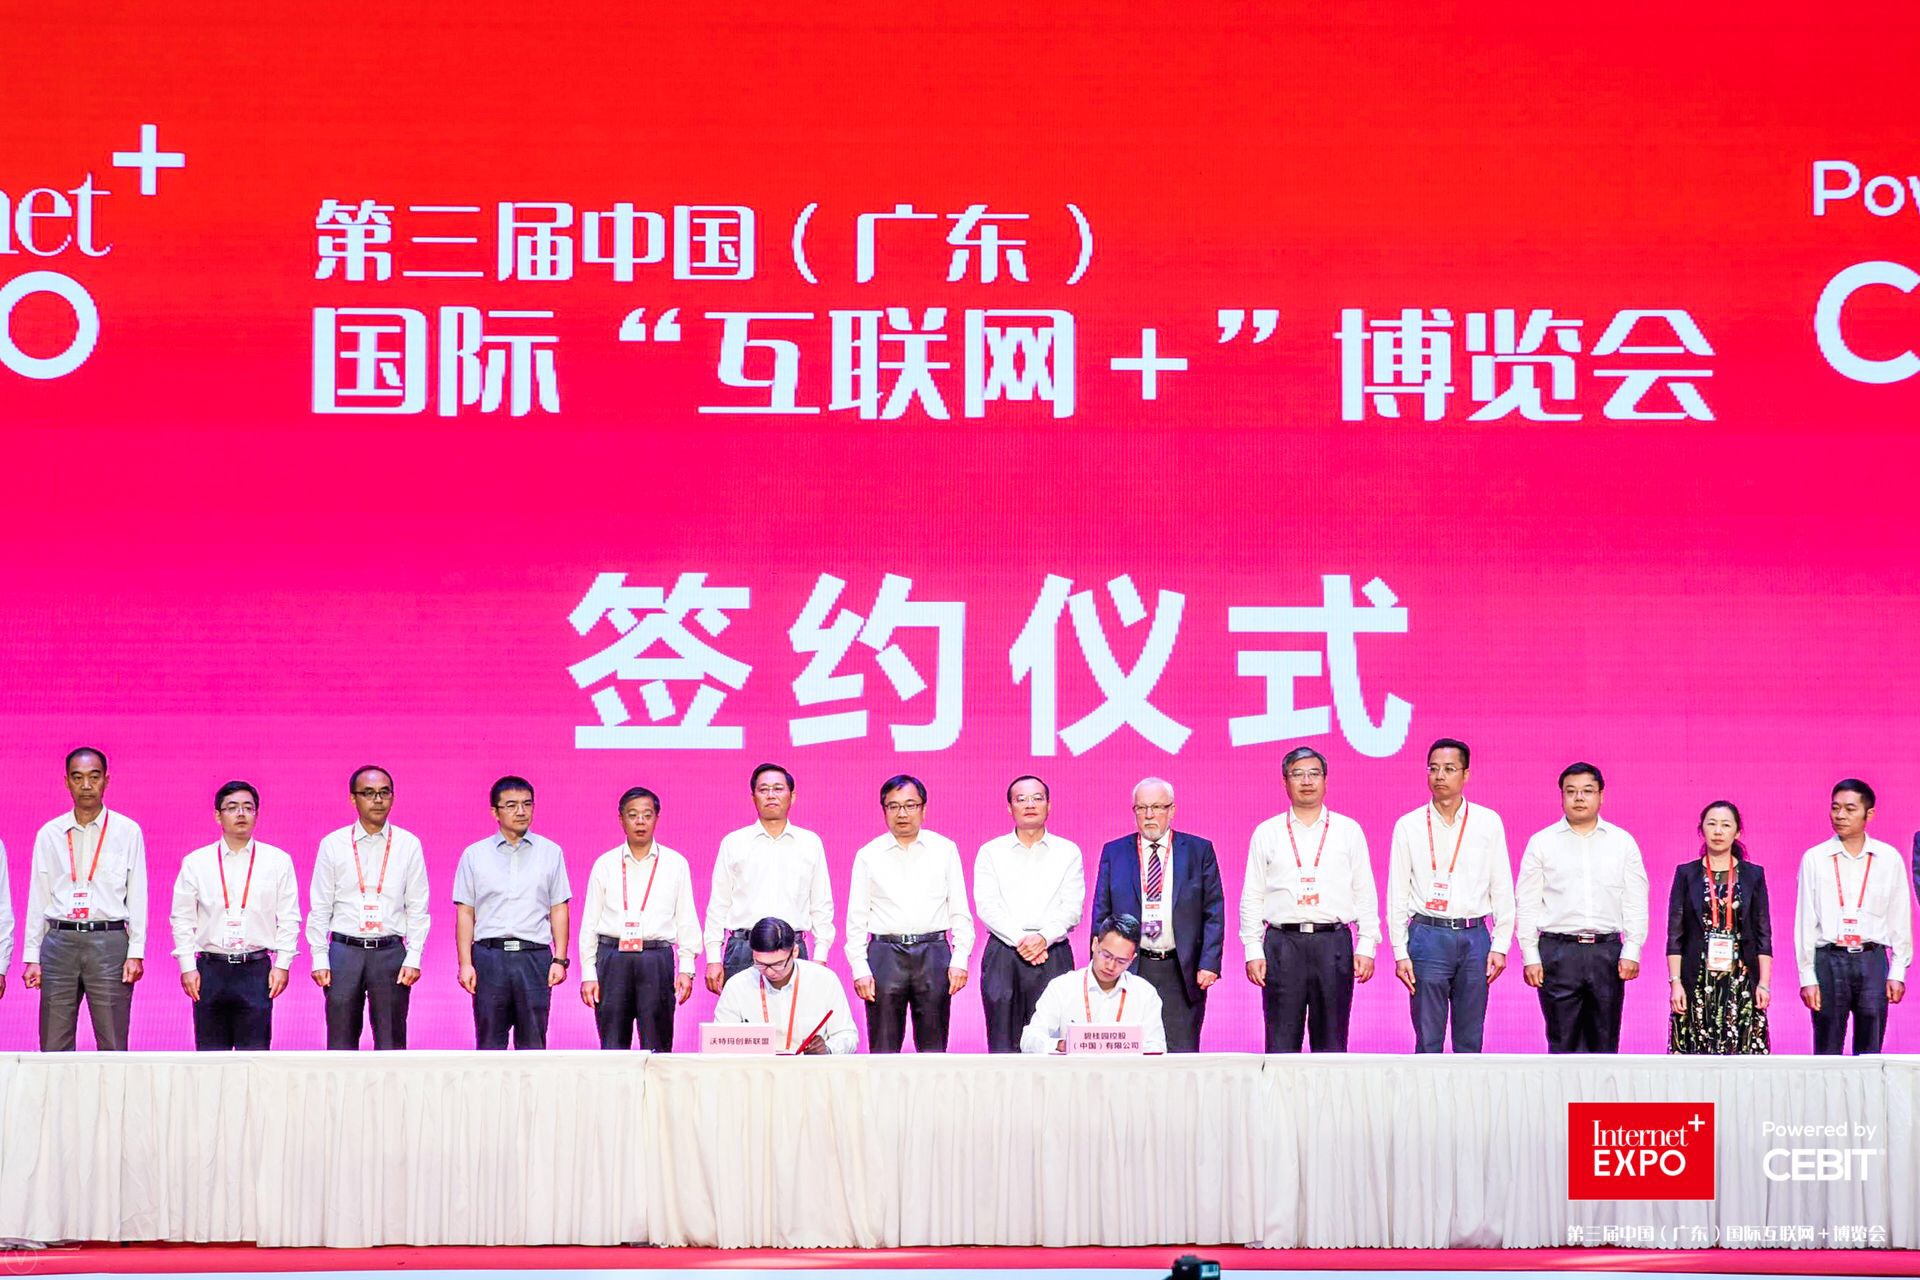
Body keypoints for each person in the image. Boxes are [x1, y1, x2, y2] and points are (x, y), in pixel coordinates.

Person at [1239, 747, 1380, 1052]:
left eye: (1314, 773)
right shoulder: (1267, 832)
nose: (1306, 781)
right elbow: (1252, 895)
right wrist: (1252, 948)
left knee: (1332, 1044)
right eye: (1298, 774)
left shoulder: (1348, 831)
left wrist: (1367, 944)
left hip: (1333, 945)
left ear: (1325, 780)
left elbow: (1364, 892)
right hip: (1282, 945)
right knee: (1280, 1044)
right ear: (1284, 781)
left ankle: (1329, 1088)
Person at [1386, 738, 1515, 1053]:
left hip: (1474, 937)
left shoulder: (1487, 822)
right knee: (1428, 1039)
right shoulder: (1409, 825)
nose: (1439, 776)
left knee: (1470, 1040)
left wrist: (1500, 944)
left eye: (1449, 769)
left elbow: (1501, 886)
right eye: (1433, 769)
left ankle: (1467, 1089)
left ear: (1466, 774)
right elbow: (1397, 893)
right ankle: (1426, 1088)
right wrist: (1400, 951)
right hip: (1427, 935)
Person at [1515, 762, 1649, 1053]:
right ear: (1561, 796)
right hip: (1558, 952)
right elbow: (1527, 903)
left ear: (1601, 796)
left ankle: (1601, 1087)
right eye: (1571, 791)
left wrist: (1632, 949)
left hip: (1606, 953)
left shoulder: (1622, 842)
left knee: (1605, 1043)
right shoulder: (1542, 842)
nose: (1579, 798)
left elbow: (1635, 900)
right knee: (1562, 1043)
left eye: (1587, 791)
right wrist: (1529, 955)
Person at [22, 748, 148, 1051]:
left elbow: (138, 895)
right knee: (53, 1043)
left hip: (110, 942)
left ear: (106, 780)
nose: (86, 785)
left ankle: (114, 1086)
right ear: (66, 782)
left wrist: (136, 952)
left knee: (113, 1042)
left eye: (94, 777)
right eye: (77, 778)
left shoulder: (127, 831)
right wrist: (32, 956)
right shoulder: (49, 833)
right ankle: (57, 1087)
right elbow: (38, 896)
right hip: (59, 942)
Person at [1091, 777, 1225, 1052]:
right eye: (1141, 808)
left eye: (1157, 807)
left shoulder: (1198, 851)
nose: (1149, 815)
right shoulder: (1115, 852)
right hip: (1130, 967)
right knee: (1128, 1050)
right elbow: (1101, 911)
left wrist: (1209, 963)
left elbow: (1213, 911)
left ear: (1172, 810)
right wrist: (1100, 963)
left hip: (1181, 969)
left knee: (1181, 1051)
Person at [168, 781, 301, 1050]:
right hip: (210, 970)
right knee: (210, 1058)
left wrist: (283, 964)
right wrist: (187, 967)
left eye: (247, 808)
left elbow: (289, 917)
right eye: (232, 807)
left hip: (256, 969)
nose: (241, 813)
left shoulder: (278, 861)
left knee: (255, 1058)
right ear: (218, 815)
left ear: (256, 814)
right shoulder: (196, 862)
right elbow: (182, 918)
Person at [846, 775, 974, 1052]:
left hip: (933, 952)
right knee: (883, 1046)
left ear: (923, 809)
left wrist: (960, 958)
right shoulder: (869, 854)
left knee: (933, 1048)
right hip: (885, 954)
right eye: (893, 806)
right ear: (884, 811)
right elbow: (856, 918)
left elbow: (960, 910)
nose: (902, 813)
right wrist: (859, 968)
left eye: (910, 805)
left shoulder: (944, 849)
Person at [307, 765, 429, 1049]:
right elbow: (320, 906)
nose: (378, 800)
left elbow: (417, 906)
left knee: (391, 1042)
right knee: (340, 1042)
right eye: (369, 793)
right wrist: (319, 957)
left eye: (384, 793)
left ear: (393, 797)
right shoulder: (333, 844)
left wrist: (414, 956)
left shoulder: (408, 844)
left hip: (389, 953)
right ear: (353, 798)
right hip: (344, 952)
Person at [1794, 779, 1913, 1055]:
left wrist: (1898, 970)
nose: (1840, 815)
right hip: (1829, 959)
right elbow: (1805, 922)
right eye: (1835, 808)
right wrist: (1807, 976)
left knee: (1870, 1051)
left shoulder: (1888, 858)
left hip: (1872, 960)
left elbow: (1899, 917)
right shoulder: (1815, 858)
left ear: (1869, 814)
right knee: (1826, 1050)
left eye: (1849, 809)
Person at [453, 775, 571, 1049]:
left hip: (534, 957)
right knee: (489, 1042)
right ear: (495, 812)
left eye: (527, 804)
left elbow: (559, 908)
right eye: (511, 805)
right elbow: (465, 912)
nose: (521, 811)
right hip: (489, 957)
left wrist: (560, 959)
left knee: (533, 1043)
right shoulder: (474, 855)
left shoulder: (551, 852)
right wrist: (465, 963)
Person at [578, 786, 701, 1050]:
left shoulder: (675, 863)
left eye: (647, 815)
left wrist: (686, 968)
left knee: (658, 1046)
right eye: (633, 815)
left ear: (657, 817)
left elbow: (686, 917)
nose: (640, 821)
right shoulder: (605, 864)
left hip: (656, 959)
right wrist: (588, 972)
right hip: (612, 959)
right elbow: (589, 922)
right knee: (612, 1045)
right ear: (621, 819)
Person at [973, 774, 1085, 1052]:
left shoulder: (1067, 851)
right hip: (1004, 953)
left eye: (1037, 798)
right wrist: (1022, 941)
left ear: (1049, 805)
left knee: (1052, 1041)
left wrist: (1043, 939)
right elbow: (987, 906)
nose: (1030, 804)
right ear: (1009, 807)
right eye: (1021, 799)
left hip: (1053, 953)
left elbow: (1072, 908)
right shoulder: (991, 851)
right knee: (1002, 1041)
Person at [703, 763, 835, 991]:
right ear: (753, 797)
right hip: (744, 949)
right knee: (741, 1014)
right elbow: (719, 903)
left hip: (793, 949)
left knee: (795, 1015)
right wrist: (713, 957)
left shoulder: (810, 843)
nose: (771, 795)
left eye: (778, 789)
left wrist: (820, 955)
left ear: (792, 796)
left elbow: (821, 904)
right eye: (763, 790)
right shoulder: (734, 842)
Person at [1667, 800, 1771, 1054]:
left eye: (1726, 825)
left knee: (1742, 1050)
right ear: (1701, 829)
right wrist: (1676, 983)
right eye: (1711, 824)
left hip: (1741, 977)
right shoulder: (1686, 874)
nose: (1718, 831)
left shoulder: (1753, 875)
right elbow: (1675, 935)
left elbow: (1763, 934)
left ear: (1737, 832)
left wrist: (1764, 983)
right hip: (1697, 977)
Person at [1021, 914, 1167, 1053]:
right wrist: (1062, 1045)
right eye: (1106, 955)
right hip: (1075, 1070)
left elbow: (1157, 1046)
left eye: (1121, 961)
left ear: (1132, 959)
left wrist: (1129, 1047)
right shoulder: (1062, 987)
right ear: (1095, 944)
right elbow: (1029, 1039)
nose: (1111, 966)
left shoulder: (1144, 994)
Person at [712, 916, 858, 1053]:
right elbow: (720, 1041)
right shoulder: (737, 986)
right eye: (761, 964)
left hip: (809, 1068)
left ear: (794, 951)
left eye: (778, 964)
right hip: (756, 1069)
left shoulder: (824, 980)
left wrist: (828, 1048)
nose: (769, 972)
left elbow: (847, 1034)